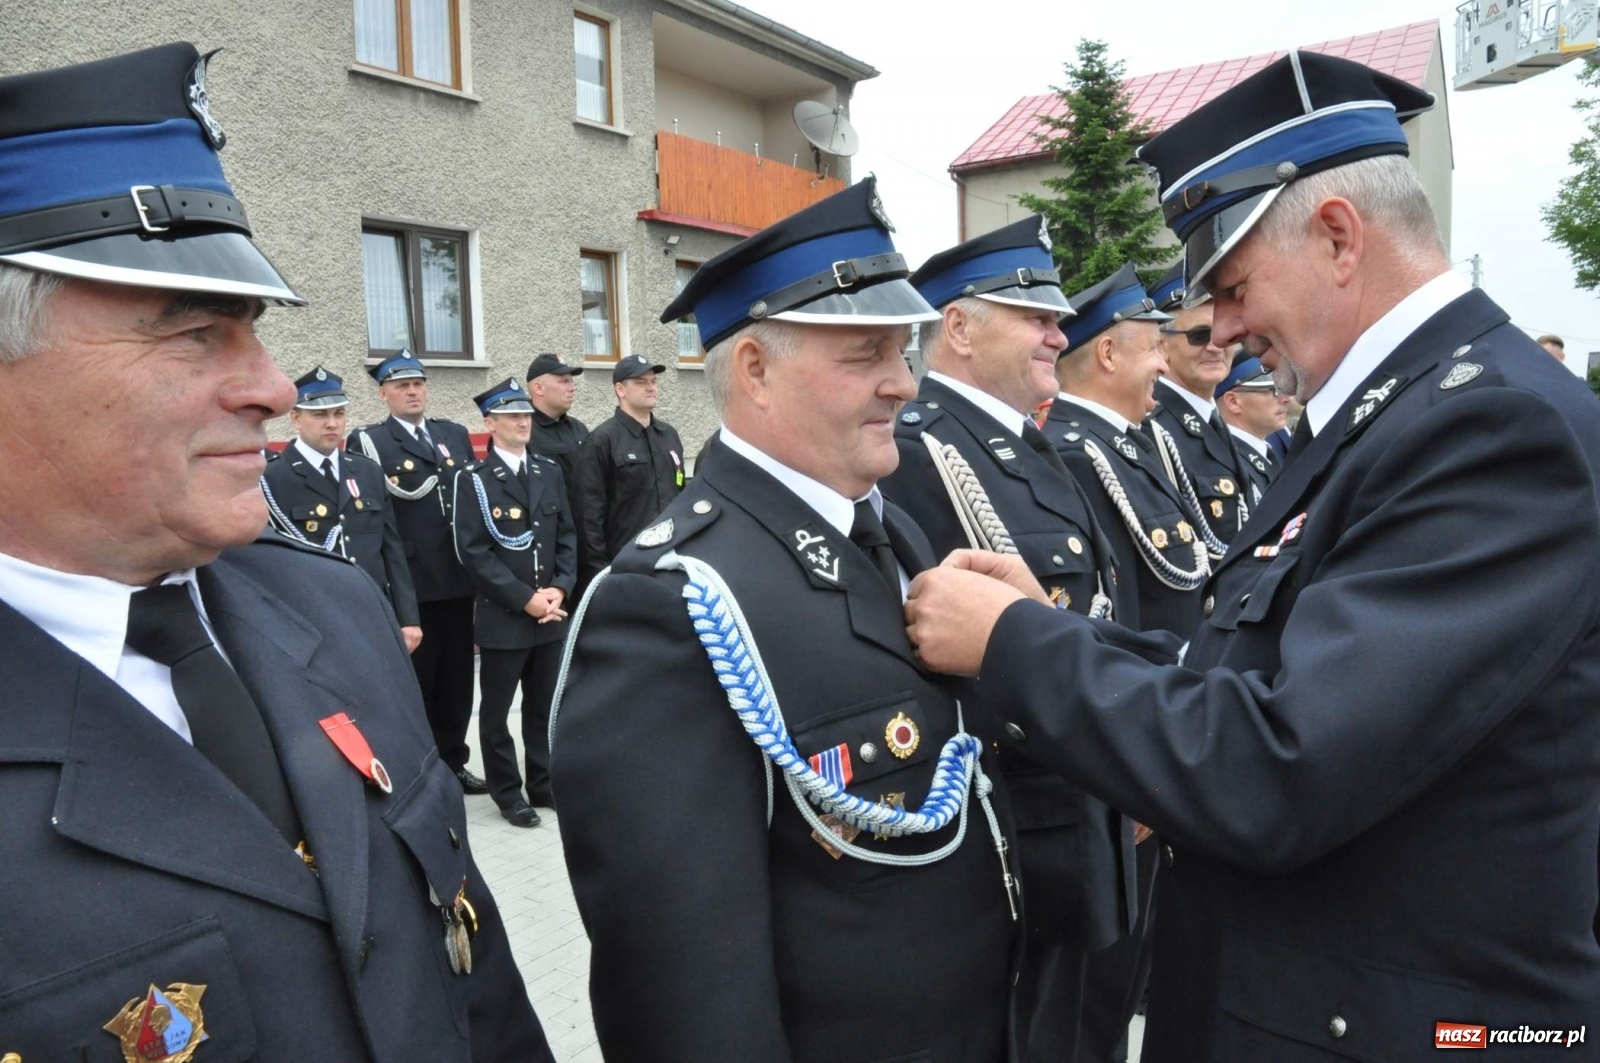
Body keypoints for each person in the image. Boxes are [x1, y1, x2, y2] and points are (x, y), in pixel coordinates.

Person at [905, 51, 1600, 1062]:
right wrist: (1051, 628)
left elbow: (1280, 763)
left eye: (1229, 286)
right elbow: (1259, 674)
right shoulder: (1398, 416)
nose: (1221, 331)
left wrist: (1013, 644)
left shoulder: (1485, 431)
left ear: (1336, 236)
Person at [0, 42, 550, 1060]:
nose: (274, 389)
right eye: (194, 333)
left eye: (252, 330)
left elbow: (479, 987)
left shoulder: (332, 612)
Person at [551, 178, 1020, 1061]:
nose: (904, 383)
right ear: (756, 371)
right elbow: (685, 991)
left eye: (904, 349)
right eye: (865, 354)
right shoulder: (671, 601)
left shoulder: (891, 528)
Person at [881, 216, 1139, 1063]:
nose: (1059, 336)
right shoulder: (921, 451)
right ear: (957, 327)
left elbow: (1098, 607)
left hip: (1086, 791)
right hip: (1024, 819)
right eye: (1035, 318)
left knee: (1083, 1031)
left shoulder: (1029, 443)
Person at [349, 351, 486, 794]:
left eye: (418, 384)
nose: (412, 392)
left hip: (459, 579)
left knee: (458, 683)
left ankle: (454, 761)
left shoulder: (452, 435)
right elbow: (375, 522)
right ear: (383, 393)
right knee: (420, 684)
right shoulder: (371, 442)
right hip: (414, 585)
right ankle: (422, 767)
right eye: (402, 386)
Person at [1047, 263, 1204, 638]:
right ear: (1108, 354)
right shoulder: (1079, 455)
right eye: (1153, 349)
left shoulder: (1122, 443)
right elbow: (1118, 612)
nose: (1164, 366)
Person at [453, 379, 577, 827]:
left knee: (543, 706)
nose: (523, 422)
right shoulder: (474, 480)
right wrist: (527, 600)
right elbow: (474, 553)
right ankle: (508, 793)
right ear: (490, 423)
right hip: (507, 615)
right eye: (512, 416)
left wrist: (560, 588)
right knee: (497, 712)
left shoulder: (548, 471)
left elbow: (566, 536)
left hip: (551, 613)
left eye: (526, 414)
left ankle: (542, 784)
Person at [262, 366, 421, 645]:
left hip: (372, 611)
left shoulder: (367, 471)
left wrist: (408, 618)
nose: (332, 423)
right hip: (309, 619)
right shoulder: (272, 477)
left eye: (339, 413)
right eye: (320, 414)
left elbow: (390, 548)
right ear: (296, 419)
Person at [1148, 262, 1256, 524]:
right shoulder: (1152, 428)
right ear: (1162, 345)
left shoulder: (1214, 421)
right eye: (1199, 335)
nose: (1216, 346)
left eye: (1224, 334)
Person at [576, 354, 684, 577]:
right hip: (626, 565)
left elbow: (679, 491)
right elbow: (589, 515)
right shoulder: (602, 440)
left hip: (673, 558)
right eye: (641, 382)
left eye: (653, 381)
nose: (651, 387)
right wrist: (601, 572)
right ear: (620, 389)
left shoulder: (668, 435)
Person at [526, 352, 591, 595]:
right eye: (563, 381)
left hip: (583, 542)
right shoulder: (524, 431)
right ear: (539, 388)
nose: (571, 387)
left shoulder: (578, 428)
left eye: (571, 381)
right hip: (548, 548)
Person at [1214, 349, 1287, 494]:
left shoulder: (1265, 452)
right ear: (1233, 401)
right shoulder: (1224, 461)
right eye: (1273, 390)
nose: (1286, 398)